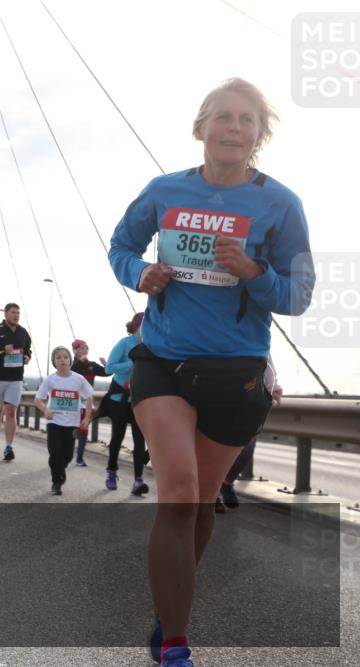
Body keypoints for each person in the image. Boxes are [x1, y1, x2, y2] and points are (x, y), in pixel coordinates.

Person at [108, 78, 314, 666]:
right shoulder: (164, 191)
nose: (234, 127)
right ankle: (176, 646)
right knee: (177, 493)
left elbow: (299, 295)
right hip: (164, 362)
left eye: (247, 120)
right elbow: (121, 247)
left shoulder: (281, 204)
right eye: (224, 116)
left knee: (200, 504)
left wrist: (254, 272)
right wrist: (139, 273)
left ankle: (168, 607)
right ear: (201, 128)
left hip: (236, 374)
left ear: (259, 135)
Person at [216, 355, 282, 512]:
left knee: (247, 445)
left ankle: (226, 483)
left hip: (247, 391)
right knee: (208, 448)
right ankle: (211, 496)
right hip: (211, 386)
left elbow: (264, 350)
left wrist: (274, 385)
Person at [98, 312, 149, 495]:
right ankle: (111, 472)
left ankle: (138, 480)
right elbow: (108, 368)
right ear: (136, 327)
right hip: (119, 398)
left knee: (139, 439)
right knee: (117, 438)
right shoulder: (124, 343)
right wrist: (131, 364)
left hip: (139, 398)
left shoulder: (152, 346)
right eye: (144, 324)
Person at [34, 346, 93, 495]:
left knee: (67, 455)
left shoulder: (79, 379)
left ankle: (60, 469)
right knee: (55, 452)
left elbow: (89, 397)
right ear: (54, 362)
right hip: (54, 421)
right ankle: (56, 482)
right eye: (58, 357)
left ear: (70, 360)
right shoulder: (50, 380)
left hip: (72, 423)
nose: (62, 360)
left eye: (65, 357)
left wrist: (86, 417)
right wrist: (45, 409)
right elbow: (37, 400)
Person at [0, 303, 32, 462]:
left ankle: (9, 447)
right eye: (13, 312)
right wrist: (2, 350)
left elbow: (28, 350)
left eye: (18, 313)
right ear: (6, 314)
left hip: (15, 379)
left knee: (10, 412)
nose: (16, 315)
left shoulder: (23, 333)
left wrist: (27, 357)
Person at [70, 339, 110, 467]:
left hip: (86, 403)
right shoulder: (71, 364)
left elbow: (107, 372)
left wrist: (106, 364)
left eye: (86, 348)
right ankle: (67, 454)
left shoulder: (91, 365)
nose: (85, 350)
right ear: (75, 351)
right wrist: (79, 363)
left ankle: (79, 458)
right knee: (71, 429)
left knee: (83, 429)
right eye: (82, 348)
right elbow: (69, 374)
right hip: (72, 402)